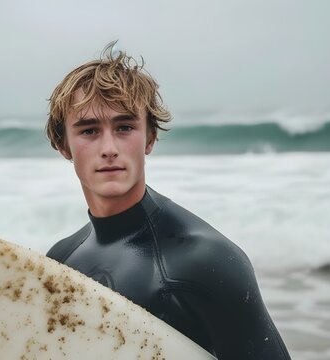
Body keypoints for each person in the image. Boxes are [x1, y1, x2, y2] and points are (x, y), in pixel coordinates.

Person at [45, 42, 291, 359]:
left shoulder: (207, 261)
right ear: (64, 146)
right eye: (89, 130)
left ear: (149, 138)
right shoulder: (61, 260)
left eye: (124, 127)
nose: (109, 147)